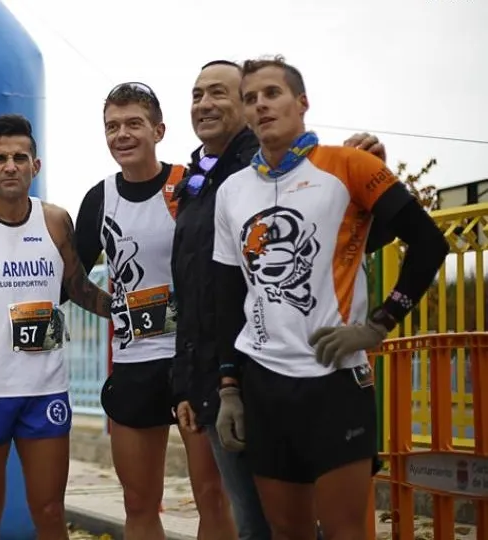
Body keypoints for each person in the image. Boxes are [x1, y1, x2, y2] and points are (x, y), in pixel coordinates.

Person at [211, 55, 448, 540]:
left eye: (272, 93)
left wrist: (379, 324)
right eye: (250, 99)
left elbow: (429, 244)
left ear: (302, 102)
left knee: (346, 531)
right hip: (264, 382)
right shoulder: (232, 190)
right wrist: (229, 387)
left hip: (334, 380)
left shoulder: (350, 165)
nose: (261, 105)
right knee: (287, 532)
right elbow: (227, 294)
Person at [171, 60, 391, 540]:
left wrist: (367, 182)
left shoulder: (286, 166)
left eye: (221, 93)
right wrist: (186, 382)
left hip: (281, 377)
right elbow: (198, 289)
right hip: (220, 381)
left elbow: (350, 242)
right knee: (252, 521)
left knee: (283, 526)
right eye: (196, 94)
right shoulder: (199, 182)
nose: (205, 103)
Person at [0, 114, 111, 540]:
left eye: (19, 157)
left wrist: (132, 313)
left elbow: (79, 289)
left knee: (49, 510)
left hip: (45, 389)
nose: (10, 166)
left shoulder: (55, 220)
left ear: (35, 165)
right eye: (0, 159)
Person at [73, 81, 234, 540]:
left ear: (158, 130)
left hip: (195, 361)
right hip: (134, 364)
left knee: (212, 496)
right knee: (139, 502)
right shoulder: (100, 198)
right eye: (112, 126)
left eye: (133, 124)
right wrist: (115, 309)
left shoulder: (191, 184)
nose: (122, 134)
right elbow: (72, 279)